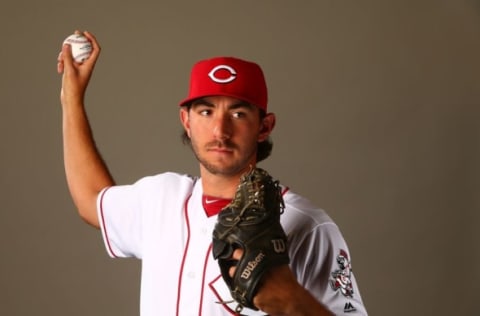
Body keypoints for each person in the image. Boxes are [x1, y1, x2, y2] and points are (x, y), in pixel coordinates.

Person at [57, 31, 368, 316]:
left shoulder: (307, 226)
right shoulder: (159, 199)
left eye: (238, 113)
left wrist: (292, 301)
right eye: (206, 112)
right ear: (186, 121)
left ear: (264, 126)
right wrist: (71, 96)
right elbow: (91, 200)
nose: (220, 130)